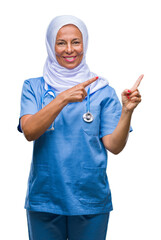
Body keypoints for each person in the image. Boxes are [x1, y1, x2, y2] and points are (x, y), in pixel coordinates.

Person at [18, 15, 143, 240]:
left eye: (76, 42)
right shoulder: (34, 87)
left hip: (90, 199)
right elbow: (29, 131)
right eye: (61, 42)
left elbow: (114, 146)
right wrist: (62, 98)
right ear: (50, 45)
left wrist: (127, 111)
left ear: (85, 43)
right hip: (45, 198)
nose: (69, 50)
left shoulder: (102, 91)